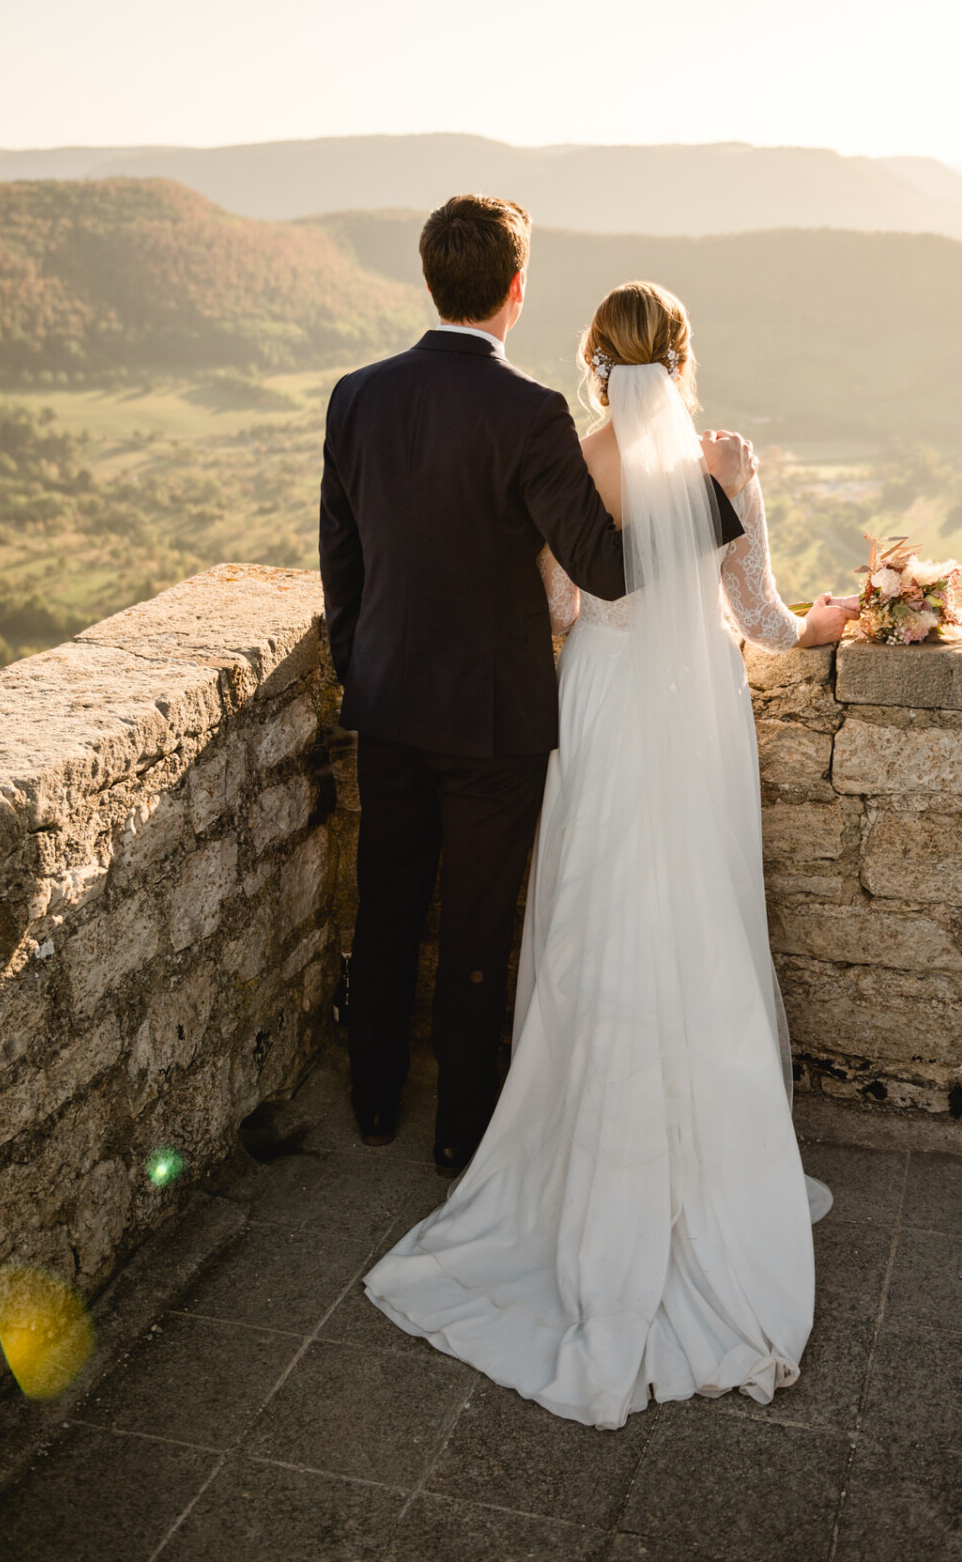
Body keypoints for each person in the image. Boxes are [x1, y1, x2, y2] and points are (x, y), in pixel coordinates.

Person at [364, 280, 851, 1429]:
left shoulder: (569, 460)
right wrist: (851, 617)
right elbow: (767, 622)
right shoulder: (725, 463)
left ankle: (579, 1143)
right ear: (682, 357)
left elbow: (563, 610)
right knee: (696, 922)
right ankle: (706, 1164)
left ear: (592, 360)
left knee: (590, 918)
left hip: (599, 707)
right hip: (694, 720)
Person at [319, 203, 750, 1177]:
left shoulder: (355, 396)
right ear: (517, 292)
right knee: (476, 925)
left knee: (383, 909)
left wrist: (360, 665)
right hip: (496, 720)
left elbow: (339, 559)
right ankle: (460, 1133)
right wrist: (715, 502)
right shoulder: (527, 415)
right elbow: (603, 568)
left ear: (432, 282)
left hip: (386, 701)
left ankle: (375, 1102)